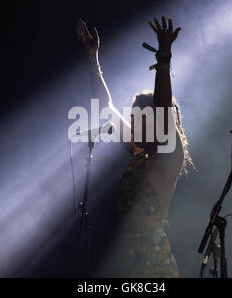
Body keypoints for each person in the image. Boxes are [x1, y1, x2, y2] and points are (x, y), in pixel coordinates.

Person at [76, 17, 194, 277]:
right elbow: (106, 108)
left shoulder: (168, 156)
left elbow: (164, 109)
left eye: (135, 118)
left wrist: (164, 57)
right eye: (130, 118)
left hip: (153, 266)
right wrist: (93, 59)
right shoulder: (139, 153)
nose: (130, 123)